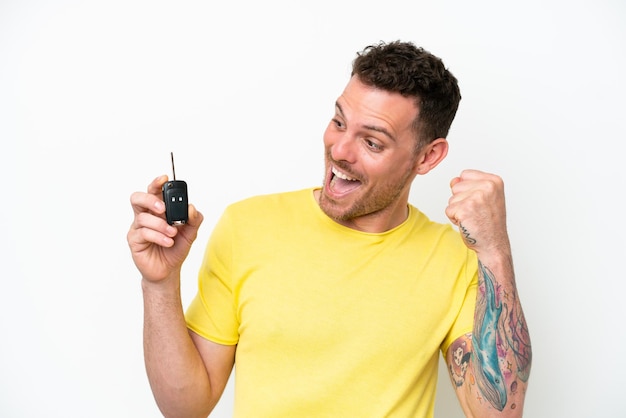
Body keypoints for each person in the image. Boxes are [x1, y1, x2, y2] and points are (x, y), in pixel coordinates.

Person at [128, 40, 532, 418]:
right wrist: (159, 284)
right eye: (339, 122)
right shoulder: (247, 228)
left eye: (372, 142)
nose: (339, 150)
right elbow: (185, 407)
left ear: (427, 157)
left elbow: (496, 410)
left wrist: (496, 251)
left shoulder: (454, 258)